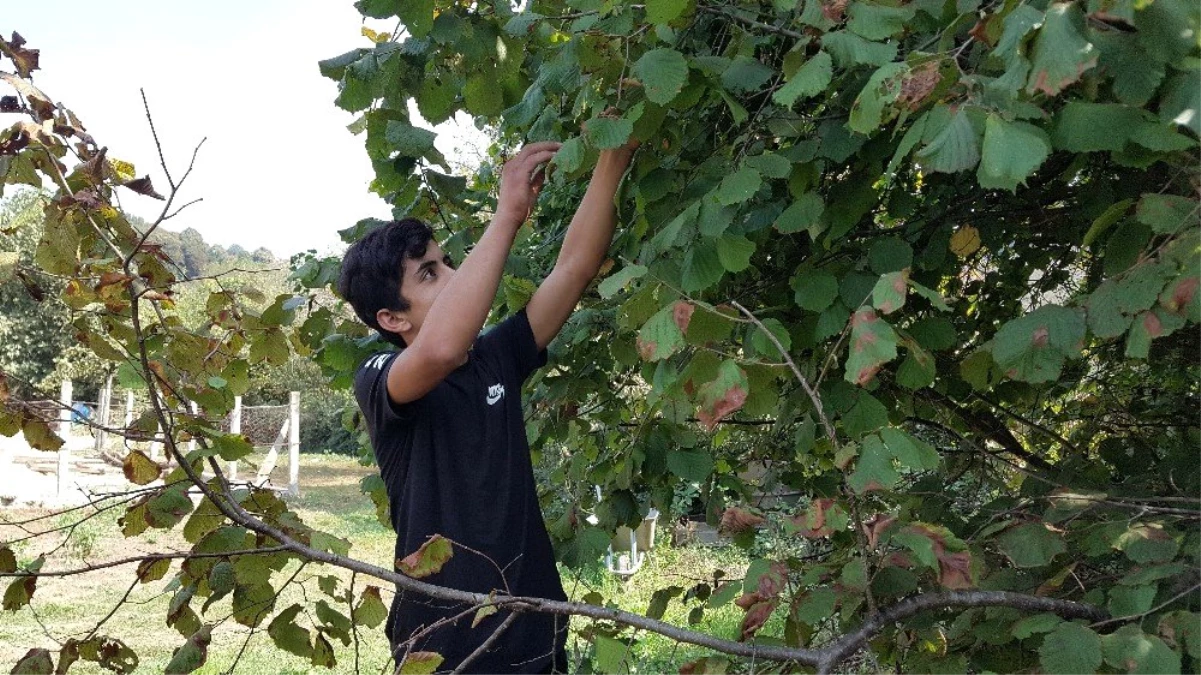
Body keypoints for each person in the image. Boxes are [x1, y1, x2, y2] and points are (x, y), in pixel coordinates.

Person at [338, 139, 636, 673]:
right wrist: (507, 216)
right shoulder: (381, 379)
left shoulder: (495, 357)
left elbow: (575, 268)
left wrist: (616, 153)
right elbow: (443, 347)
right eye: (429, 273)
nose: (453, 276)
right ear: (391, 320)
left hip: (534, 627)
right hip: (444, 646)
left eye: (446, 262)